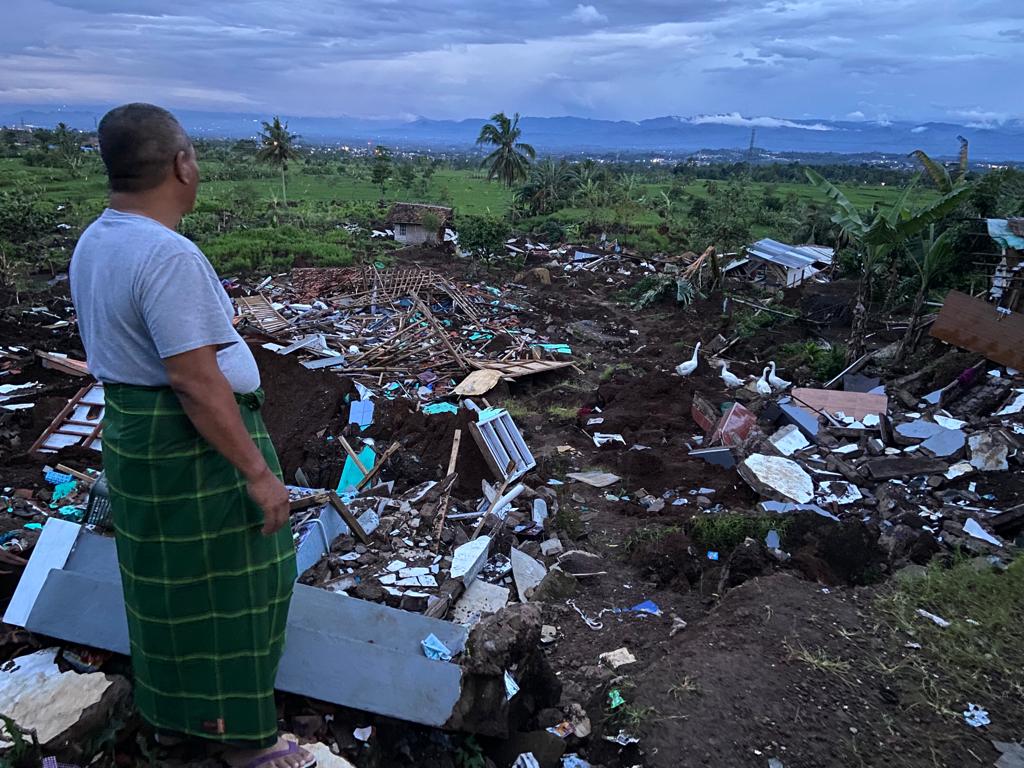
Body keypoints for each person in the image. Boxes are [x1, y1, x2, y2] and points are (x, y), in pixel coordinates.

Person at [69, 103, 314, 768]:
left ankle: (175, 722)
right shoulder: (166, 253)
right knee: (242, 585)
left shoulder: (97, 240)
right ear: (181, 165)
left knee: (166, 587)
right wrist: (258, 473)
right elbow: (195, 381)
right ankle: (244, 740)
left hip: (139, 439)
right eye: (195, 157)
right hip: (192, 446)